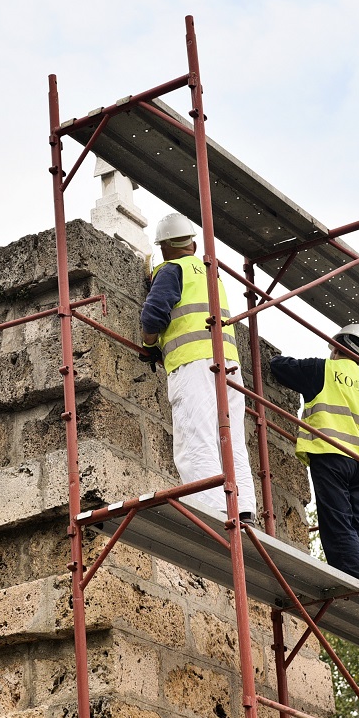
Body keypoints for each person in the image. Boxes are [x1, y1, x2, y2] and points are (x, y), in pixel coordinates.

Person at [140, 213, 256, 525]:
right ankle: (243, 507)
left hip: (193, 365)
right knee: (230, 440)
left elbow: (152, 317)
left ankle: (212, 510)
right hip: (228, 366)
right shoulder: (211, 273)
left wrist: (149, 343)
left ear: (164, 247)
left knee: (196, 435)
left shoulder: (170, 270)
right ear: (192, 243)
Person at [270, 324, 359, 582]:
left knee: (338, 520)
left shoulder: (324, 369)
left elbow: (279, 367)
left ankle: (353, 581)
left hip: (329, 455)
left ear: (337, 347)